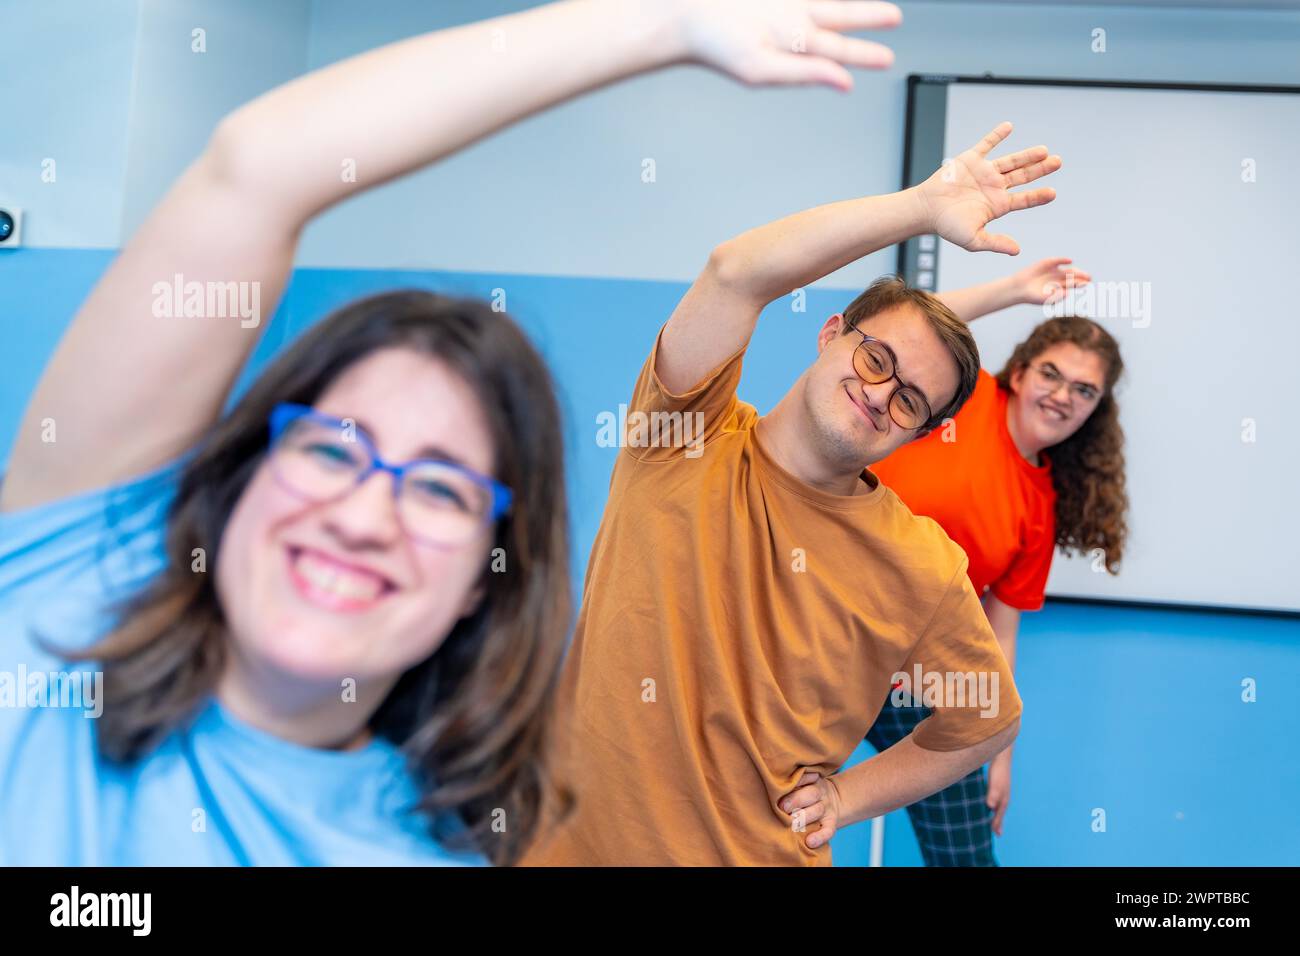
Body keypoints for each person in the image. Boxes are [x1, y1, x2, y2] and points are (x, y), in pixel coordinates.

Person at [0, 0, 904, 866]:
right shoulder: (73, 579)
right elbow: (257, 165)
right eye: (330, 449)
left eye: (439, 491)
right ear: (243, 478)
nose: (363, 515)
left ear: (484, 578)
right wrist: (662, 23)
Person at [520, 122, 1060, 866]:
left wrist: (847, 797)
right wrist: (922, 206)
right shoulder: (682, 433)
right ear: (831, 333)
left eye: (910, 401)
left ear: (919, 432)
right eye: (875, 358)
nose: (880, 395)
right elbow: (736, 270)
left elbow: (989, 720)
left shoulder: (920, 565)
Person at [865, 258, 1129, 865]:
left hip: (911, 681)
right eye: (1051, 374)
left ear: (1097, 408)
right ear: (1020, 371)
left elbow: (997, 630)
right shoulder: (969, 394)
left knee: (968, 854)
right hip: (819, 639)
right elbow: (910, 329)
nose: (1062, 396)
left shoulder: (1042, 505)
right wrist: (1014, 290)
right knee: (759, 813)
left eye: (1083, 390)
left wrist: (996, 752)